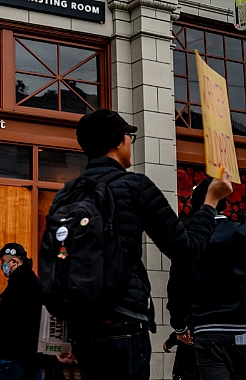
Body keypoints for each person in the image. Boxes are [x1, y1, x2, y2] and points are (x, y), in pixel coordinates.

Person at [47, 108, 233, 380]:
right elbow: (187, 249)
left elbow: (55, 262)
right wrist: (210, 203)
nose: (130, 142)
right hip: (122, 321)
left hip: (81, 327)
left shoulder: (64, 195)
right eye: (128, 135)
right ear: (119, 142)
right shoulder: (134, 186)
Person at [167, 178, 246, 379]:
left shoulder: (187, 240)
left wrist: (180, 325)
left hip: (206, 330)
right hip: (241, 327)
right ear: (224, 203)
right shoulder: (240, 234)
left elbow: (176, 286)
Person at [0, 243, 43, 380]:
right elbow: (15, 307)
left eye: (3, 262)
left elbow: (19, 316)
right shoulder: (28, 279)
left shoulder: (20, 281)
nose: (2, 267)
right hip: (30, 354)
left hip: (13, 354)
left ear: (14, 261)